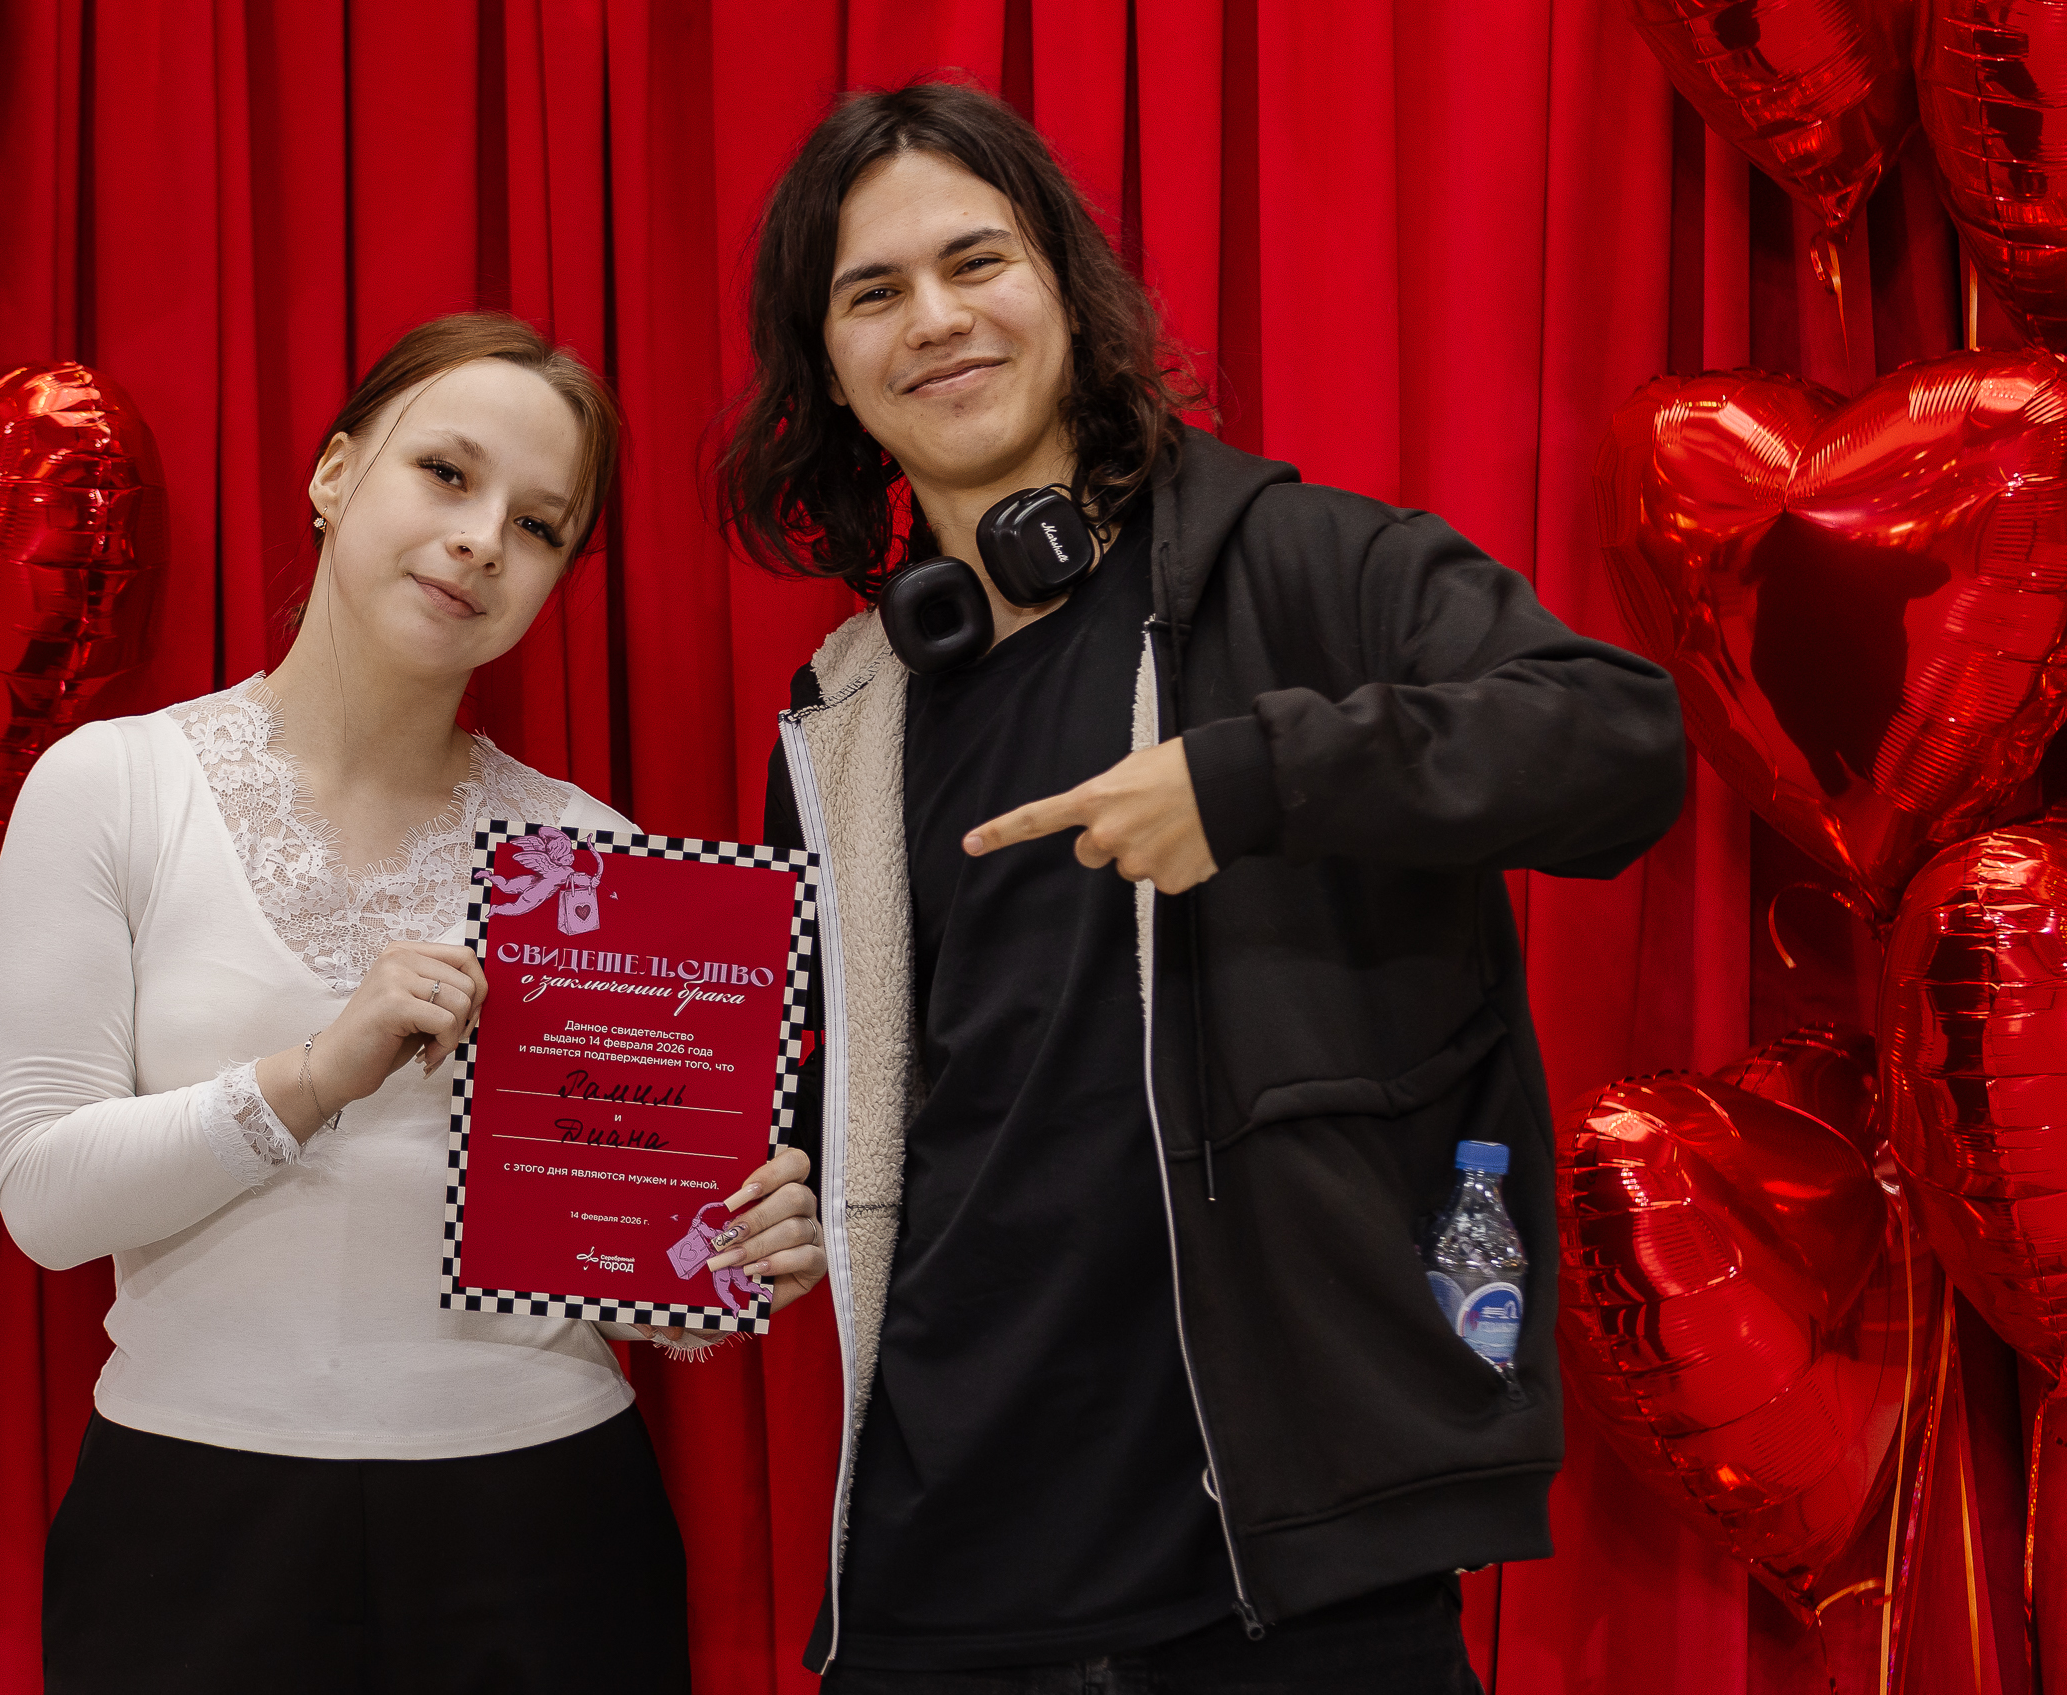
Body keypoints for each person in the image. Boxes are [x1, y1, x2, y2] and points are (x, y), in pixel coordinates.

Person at [720, 84, 1688, 1692]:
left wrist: (1249, 782)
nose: (936, 319)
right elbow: (875, 1096)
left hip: (1281, 1580)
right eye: (873, 292)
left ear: (1066, 288)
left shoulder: (1300, 567)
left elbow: (1617, 742)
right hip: (937, 1580)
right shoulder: (847, 713)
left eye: (977, 261)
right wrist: (793, 1188)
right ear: (829, 370)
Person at [0, 312, 823, 1694]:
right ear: (333, 473)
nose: (483, 540)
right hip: (194, 1529)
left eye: (539, 526)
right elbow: (47, 1201)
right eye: (446, 472)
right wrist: (316, 1072)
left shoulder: (587, 856)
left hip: (546, 1528)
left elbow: (636, 1276)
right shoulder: (110, 787)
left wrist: (723, 1259)